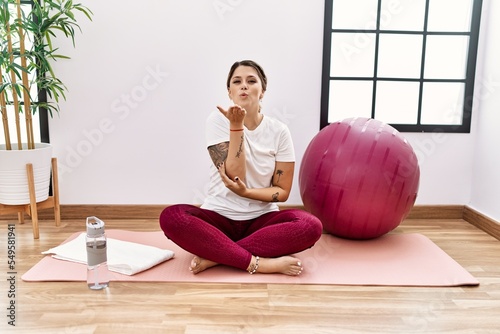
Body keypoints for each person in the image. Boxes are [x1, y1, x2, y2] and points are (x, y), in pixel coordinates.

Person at [159, 60, 323, 276]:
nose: (244, 85)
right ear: (230, 92)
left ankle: (216, 256)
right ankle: (260, 263)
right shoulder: (217, 120)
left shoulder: (279, 131)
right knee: (172, 217)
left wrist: (246, 193)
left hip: (262, 221)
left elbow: (282, 192)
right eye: (237, 81)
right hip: (219, 218)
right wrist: (236, 126)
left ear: (262, 91)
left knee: (310, 225)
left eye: (251, 80)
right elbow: (235, 174)